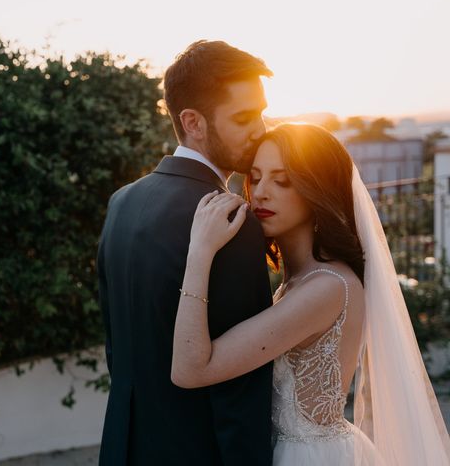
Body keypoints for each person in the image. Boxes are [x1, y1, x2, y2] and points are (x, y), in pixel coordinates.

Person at [171, 123, 450, 465]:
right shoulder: (299, 281)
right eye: (255, 177)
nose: (260, 192)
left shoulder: (327, 287)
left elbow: (190, 370)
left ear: (316, 190)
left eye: (282, 180)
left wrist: (199, 251)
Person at [97, 40, 275, 465]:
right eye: (244, 117)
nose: (262, 129)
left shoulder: (121, 202)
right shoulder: (230, 222)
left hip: (123, 448)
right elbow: (241, 390)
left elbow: (117, 349)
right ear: (193, 122)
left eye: (262, 112)